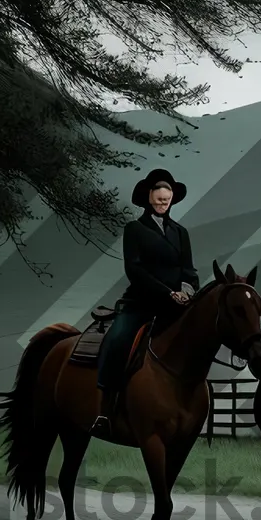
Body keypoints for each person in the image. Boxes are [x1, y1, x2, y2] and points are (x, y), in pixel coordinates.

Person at [91, 168, 200, 437]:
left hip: (177, 304)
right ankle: (104, 411)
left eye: (168, 200)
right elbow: (135, 270)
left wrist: (186, 291)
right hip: (141, 301)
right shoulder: (135, 229)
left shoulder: (181, 232)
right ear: (149, 198)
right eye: (159, 200)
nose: (164, 204)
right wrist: (166, 292)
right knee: (117, 340)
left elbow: (189, 269)